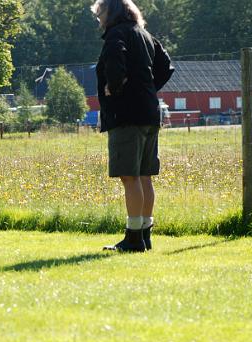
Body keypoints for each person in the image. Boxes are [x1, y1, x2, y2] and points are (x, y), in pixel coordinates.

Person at [91, 0, 173, 252]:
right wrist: (145, 88)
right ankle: (144, 235)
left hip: (127, 115)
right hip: (149, 112)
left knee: (130, 176)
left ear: (111, 12)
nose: (99, 19)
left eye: (100, 13)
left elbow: (115, 63)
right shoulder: (144, 34)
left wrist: (114, 88)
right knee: (145, 175)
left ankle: (133, 237)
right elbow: (166, 66)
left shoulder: (116, 35)